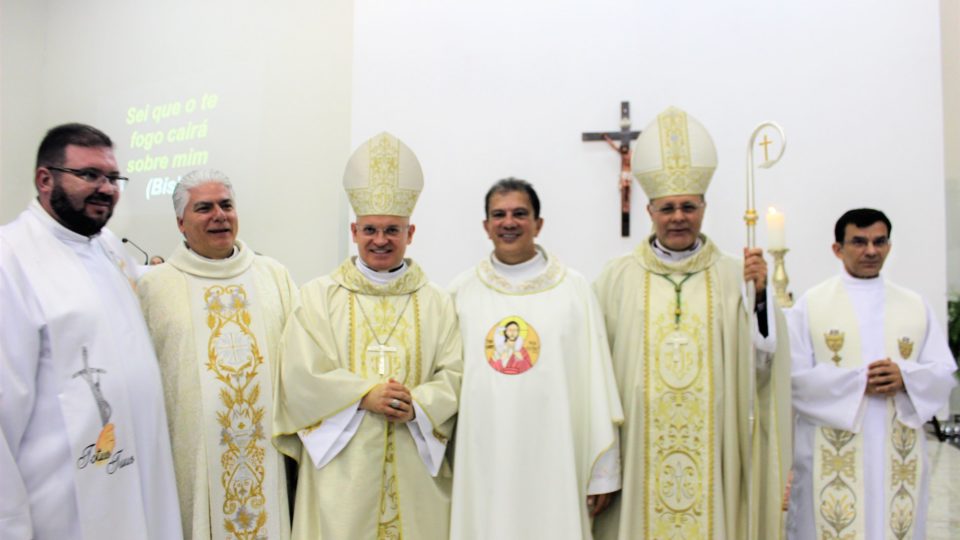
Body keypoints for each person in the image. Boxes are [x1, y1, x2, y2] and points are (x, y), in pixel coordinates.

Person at [593, 107, 792, 540]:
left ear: (704, 207)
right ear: (649, 210)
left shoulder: (731, 274)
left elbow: (759, 367)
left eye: (688, 206)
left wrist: (759, 299)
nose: (678, 217)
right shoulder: (617, 278)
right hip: (639, 453)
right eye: (668, 208)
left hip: (713, 449)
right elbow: (595, 373)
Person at [273, 132, 462, 539]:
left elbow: (455, 375)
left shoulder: (436, 302)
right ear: (354, 231)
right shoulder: (319, 297)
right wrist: (362, 396)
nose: (381, 240)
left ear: (410, 234)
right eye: (371, 230)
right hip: (343, 475)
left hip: (416, 471)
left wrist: (419, 405)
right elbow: (299, 376)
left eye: (392, 230)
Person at [0, 123, 181, 539]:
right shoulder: (11, 258)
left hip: (136, 472)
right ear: (44, 179)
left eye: (113, 177)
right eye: (89, 175)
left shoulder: (108, 247)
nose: (106, 188)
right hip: (62, 500)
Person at [448, 178, 623, 539]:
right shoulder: (461, 293)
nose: (508, 222)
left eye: (519, 214)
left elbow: (596, 382)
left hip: (555, 457)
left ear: (538, 223)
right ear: (486, 226)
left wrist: (602, 473)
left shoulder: (574, 291)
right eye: (499, 214)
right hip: (482, 457)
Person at [137, 170, 297, 539]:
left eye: (226, 205)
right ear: (181, 222)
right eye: (203, 208)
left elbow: (302, 361)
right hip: (190, 461)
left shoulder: (273, 276)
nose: (219, 216)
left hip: (268, 462)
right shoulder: (154, 287)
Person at [785, 208, 956, 540]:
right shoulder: (812, 304)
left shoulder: (914, 305)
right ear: (838, 249)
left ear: (889, 246)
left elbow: (943, 372)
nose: (871, 251)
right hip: (831, 447)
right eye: (859, 242)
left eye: (880, 242)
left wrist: (905, 377)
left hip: (897, 449)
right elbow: (794, 378)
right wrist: (857, 383)